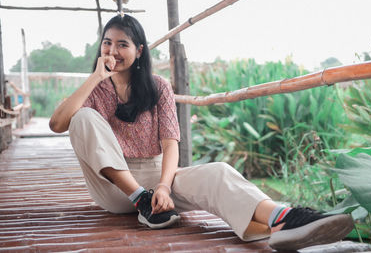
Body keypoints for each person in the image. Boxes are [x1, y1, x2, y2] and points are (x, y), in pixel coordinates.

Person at [49, 14, 354, 251]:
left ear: (139, 50)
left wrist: (165, 188)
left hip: (157, 180)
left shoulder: (159, 87)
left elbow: (170, 146)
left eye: (122, 44)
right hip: (114, 188)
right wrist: (95, 77)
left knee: (217, 172)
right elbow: (57, 124)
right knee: (83, 117)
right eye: (107, 42)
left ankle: (283, 219)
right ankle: (140, 199)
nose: (112, 50)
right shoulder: (95, 88)